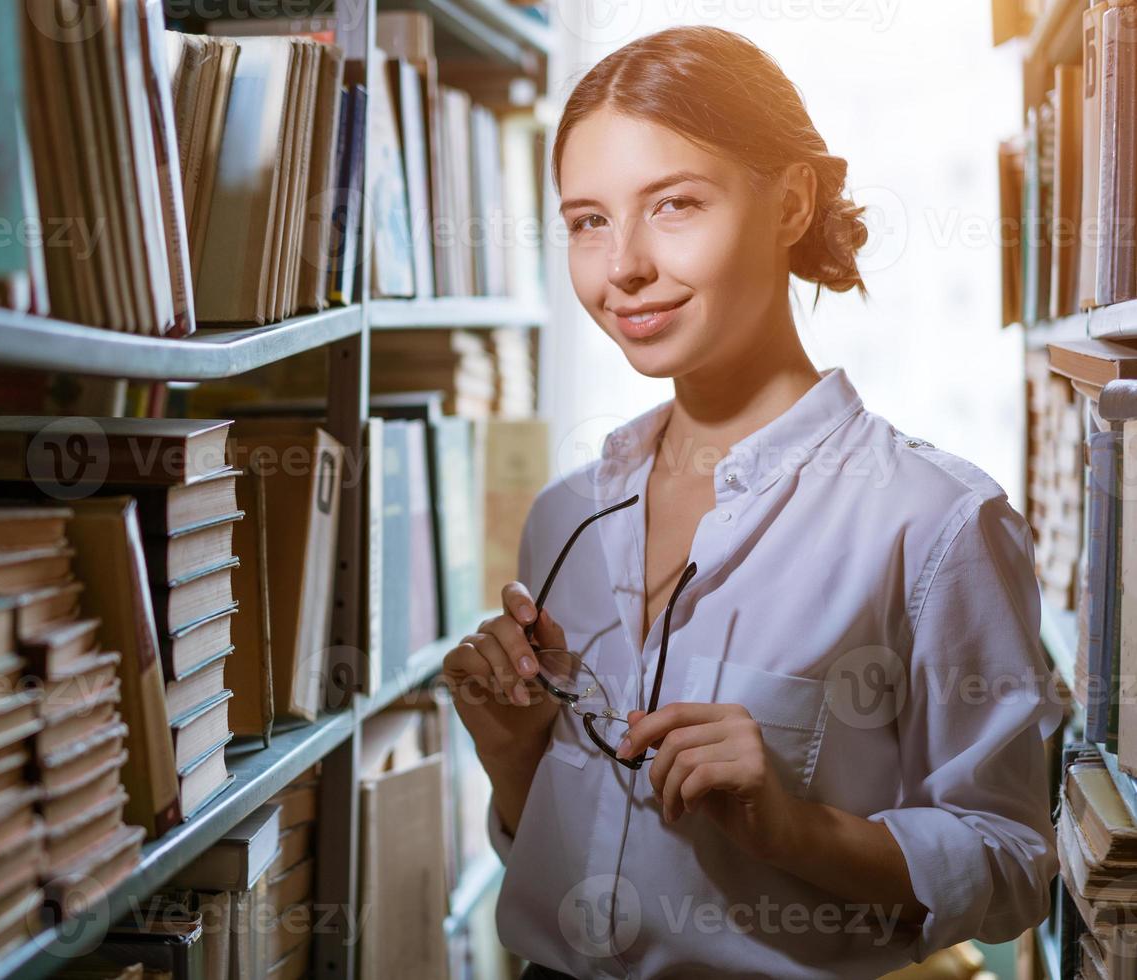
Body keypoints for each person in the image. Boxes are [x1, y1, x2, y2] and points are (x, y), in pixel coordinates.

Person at [443, 25, 1061, 980]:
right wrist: (516, 758)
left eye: (675, 204)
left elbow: (1016, 864)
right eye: (586, 220)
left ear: (791, 202)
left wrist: (795, 830)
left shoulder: (935, 521)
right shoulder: (565, 516)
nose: (624, 268)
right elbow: (564, 857)